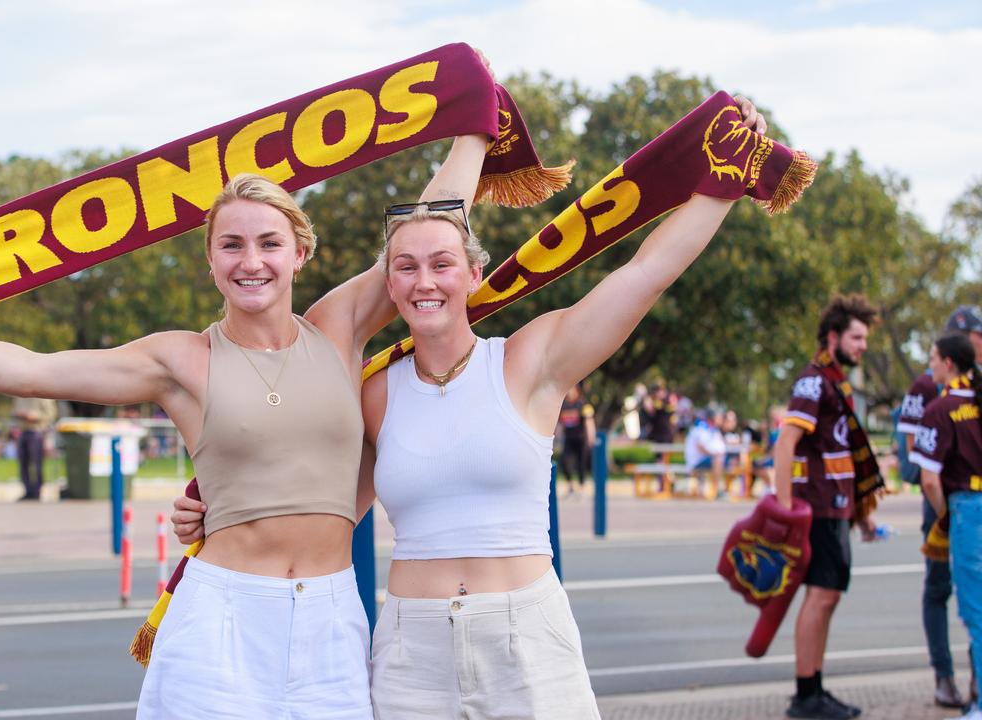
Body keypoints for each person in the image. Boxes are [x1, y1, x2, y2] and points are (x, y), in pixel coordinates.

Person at [0, 120, 491, 717]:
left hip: (332, 620)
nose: (250, 260)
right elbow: (34, 369)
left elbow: (433, 225)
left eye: (269, 242)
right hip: (223, 620)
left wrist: (474, 135)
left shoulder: (337, 328)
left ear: (299, 253)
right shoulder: (181, 359)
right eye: (230, 245)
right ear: (210, 261)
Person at [175, 96, 770, 720]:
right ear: (391, 283)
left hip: (528, 643)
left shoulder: (531, 360)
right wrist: (216, 511)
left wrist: (724, 183)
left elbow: (646, 272)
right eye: (404, 267)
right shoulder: (373, 394)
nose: (423, 280)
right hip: (410, 656)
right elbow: (316, 505)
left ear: (473, 272)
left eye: (441, 263)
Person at [772, 294, 881, 720]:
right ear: (833, 337)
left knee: (828, 597)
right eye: (857, 337)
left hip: (836, 509)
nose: (863, 345)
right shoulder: (814, 381)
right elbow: (785, 444)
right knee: (819, 598)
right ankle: (806, 695)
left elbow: (846, 455)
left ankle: (815, 687)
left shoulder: (836, 381)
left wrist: (862, 514)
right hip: (815, 509)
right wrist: (784, 510)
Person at [897, 304, 982, 710]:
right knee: (939, 588)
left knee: (975, 598)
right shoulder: (926, 388)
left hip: (965, 502)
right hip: (944, 502)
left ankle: (977, 684)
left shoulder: (970, 386)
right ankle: (943, 675)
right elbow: (913, 457)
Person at [11, 395, 57, 501]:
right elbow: (14, 411)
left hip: (37, 432)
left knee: (37, 463)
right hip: (23, 431)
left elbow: (51, 414)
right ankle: (28, 490)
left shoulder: (43, 395)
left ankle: (37, 491)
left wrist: (35, 416)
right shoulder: (19, 396)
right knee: (23, 463)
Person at [557, 384, 595, 495]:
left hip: (581, 439)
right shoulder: (563, 405)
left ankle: (582, 487)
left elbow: (589, 422)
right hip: (569, 438)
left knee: (581, 463)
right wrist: (556, 438)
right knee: (564, 461)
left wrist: (591, 437)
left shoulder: (583, 405)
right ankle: (570, 486)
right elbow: (559, 423)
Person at [684, 408, 727, 495]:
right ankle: (717, 490)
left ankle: (722, 489)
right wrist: (715, 454)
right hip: (697, 461)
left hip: (706, 459)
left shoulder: (713, 430)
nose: (721, 419)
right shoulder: (701, 428)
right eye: (719, 417)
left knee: (723, 460)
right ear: (713, 418)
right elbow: (701, 447)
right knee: (718, 460)